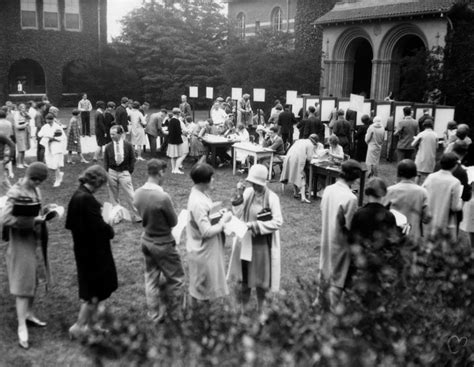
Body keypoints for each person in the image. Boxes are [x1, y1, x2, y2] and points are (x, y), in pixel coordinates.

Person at [66, 165, 118, 339]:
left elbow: (70, 224)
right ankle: (79, 327)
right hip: (94, 253)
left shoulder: (78, 195)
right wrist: (109, 223)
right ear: (98, 181)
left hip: (83, 249)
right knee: (94, 292)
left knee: (98, 291)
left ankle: (93, 325)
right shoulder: (86, 200)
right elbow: (100, 228)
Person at [2, 162, 49, 349]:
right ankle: (22, 326)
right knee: (23, 284)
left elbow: (37, 210)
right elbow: (4, 219)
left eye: (39, 180)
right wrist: (31, 221)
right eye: (33, 179)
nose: (36, 183)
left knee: (33, 280)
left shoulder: (36, 191)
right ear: (27, 175)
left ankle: (29, 314)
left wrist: (46, 213)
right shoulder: (15, 192)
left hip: (35, 240)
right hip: (20, 242)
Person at [227, 165, 283, 316]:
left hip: (262, 245)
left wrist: (254, 225)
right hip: (246, 243)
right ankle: (243, 311)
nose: (254, 186)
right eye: (252, 183)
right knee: (244, 281)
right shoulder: (248, 192)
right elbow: (238, 214)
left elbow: (278, 222)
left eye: (257, 183)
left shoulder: (272, 198)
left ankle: (262, 313)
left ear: (264, 183)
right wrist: (239, 195)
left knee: (261, 282)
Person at [134, 159, 185, 322]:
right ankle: (176, 315)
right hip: (163, 242)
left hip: (147, 239)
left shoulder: (138, 193)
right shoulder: (162, 197)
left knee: (151, 278)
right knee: (176, 279)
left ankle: (154, 314)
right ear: (161, 172)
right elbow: (174, 222)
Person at [317, 160, 362, 310]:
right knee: (338, 275)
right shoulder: (351, 198)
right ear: (355, 178)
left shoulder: (328, 189)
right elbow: (350, 225)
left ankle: (319, 299)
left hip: (326, 233)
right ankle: (331, 307)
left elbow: (323, 209)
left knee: (325, 268)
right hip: (341, 240)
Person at [186, 163, 232, 303]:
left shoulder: (199, 193)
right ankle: (199, 320)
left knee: (203, 288)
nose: (214, 180)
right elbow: (206, 231)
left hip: (205, 249)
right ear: (203, 181)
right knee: (202, 291)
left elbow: (206, 216)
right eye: (211, 178)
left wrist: (218, 213)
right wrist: (223, 221)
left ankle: (198, 317)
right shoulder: (198, 202)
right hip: (203, 251)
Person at [384, 159, 431, 243]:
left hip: (394, 235)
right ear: (415, 174)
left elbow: (382, 212)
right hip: (414, 235)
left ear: (398, 174)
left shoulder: (390, 190)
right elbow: (427, 217)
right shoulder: (422, 192)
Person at [104, 125, 141, 222]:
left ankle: (137, 215)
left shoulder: (128, 145)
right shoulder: (108, 147)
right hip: (111, 172)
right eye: (110, 134)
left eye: (114, 134)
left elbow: (132, 159)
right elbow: (105, 162)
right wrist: (107, 174)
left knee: (130, 195)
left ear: (120, 134)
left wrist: (128, 171)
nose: (111, 136)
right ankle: (118, 215)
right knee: (113, 196)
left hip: (124, 172)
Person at [422, 153, 462, 239]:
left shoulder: (430, 177)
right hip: (445, 220)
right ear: (455, 166)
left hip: (429, 217)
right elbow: (455, 207)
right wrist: (461, 201)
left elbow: (422, 194)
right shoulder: (455, 182)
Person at [280, 134, 321, 203]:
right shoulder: (310, 145)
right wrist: (315, 157)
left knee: (294, 174)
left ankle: (295, 192)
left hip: (289, 157)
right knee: (302, 176)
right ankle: (303, 197)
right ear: (315, 142)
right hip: (297, 160)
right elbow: (309, 158)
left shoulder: (300, 141)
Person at [38, 113, 66, 187]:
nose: (48, 122)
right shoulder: (45, 127)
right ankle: (60, 174)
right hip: (49, 147)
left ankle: (57, 180)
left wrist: (53, 138)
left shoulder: (58, 127)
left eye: (50, 121)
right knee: (50, 165)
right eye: (47, 120)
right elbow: (39, 134)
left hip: (57, 147)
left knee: (55, 165)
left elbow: (62, 138)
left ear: (53, 120)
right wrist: (47, 137)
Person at [412, 119, 438, 184]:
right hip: (431, 157)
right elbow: (437, 147)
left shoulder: (421, 134)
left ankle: (416, 187)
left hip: (421, 157)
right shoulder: (435, 135)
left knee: (418, 174)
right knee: (428, 175)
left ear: (424, 125)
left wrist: (416, 139)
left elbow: (413, 144)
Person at [167, 108, 187, 174]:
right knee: (180, 155)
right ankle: (176, 169)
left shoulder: (170, 120)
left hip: (171, 140)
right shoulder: (177, 121)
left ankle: (173, 169)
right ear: (178, 113)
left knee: (173, 156)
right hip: (177, 140)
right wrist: (183, 132)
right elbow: (178, 131)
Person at [14, 103, 31, 168]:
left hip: (24, 133)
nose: (23, 109)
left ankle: (23, 162)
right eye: (22, 108)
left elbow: (30, 118)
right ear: (19, 108)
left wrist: (26, 113)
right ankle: (19, 163)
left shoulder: (23, 114)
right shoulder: (16, 115)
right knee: (20, 149)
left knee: (24, 148)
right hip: (19, 133)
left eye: (24, 108)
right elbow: (17, 126)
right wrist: (25, 125)